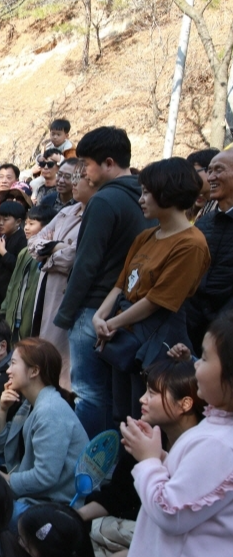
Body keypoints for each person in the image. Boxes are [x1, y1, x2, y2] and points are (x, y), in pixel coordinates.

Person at [119, 314, 233, 557]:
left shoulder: (221, 444)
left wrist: (148, 461)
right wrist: (161, 458)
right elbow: (196, 487)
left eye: (205, 358)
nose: (196, 365)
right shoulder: (215, 430)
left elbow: (172, 511)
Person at [93, 157, 209, 424]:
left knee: (145, 414)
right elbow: (122, 284)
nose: (141, 199)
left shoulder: (191, 244)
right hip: (125, 334)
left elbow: (158, 300)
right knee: (122, 413)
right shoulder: (145, 236)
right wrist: (100, 316)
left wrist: (111, 322)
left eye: (147, 192)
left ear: (167, 191)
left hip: (155, 340)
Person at [52, 126, 150, 438]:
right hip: (124, 309)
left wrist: (66, 315)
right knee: (117, 398)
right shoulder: (145, 197)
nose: (83, 172)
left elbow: (86, 264)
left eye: (86, 164)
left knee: (91, 395)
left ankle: (90, 466)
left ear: (108, 163)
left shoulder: (105, 201)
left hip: (93, 307)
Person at [78, 359, 204, 557]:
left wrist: (129, 556)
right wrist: (74, 516)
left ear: (185, 404)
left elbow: (177, 523)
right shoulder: (152, 436)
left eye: (152, 394)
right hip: (134, 536)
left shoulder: (204, 453)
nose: (142, 399)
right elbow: (118, 493)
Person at [0, 338, 88, 518]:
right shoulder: (29, 404)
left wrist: (6, 480)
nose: (8, 370)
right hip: (30, 493)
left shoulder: (50, 411)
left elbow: (45, 476)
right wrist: (2, 410)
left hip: (51, 506)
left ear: (34, 371)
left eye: (13, 364)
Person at [28, 161, 94, 391]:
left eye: (77, 178)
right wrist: (55, 248)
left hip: (65, 293)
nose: (71, 183)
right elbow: (34, 243)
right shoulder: (67, 211)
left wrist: (49, 255)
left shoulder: (94, 216)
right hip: (45, 289)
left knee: (61, 358)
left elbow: (75, 255)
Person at [184, 149, 233, 355]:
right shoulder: (204, 223)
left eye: (218, 170)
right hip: (192, 329)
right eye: (209, 171)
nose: (210, 177)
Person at [1, 204, 55, 345]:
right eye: (26, 222)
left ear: (47, 227)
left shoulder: (50, 254)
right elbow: (13, 284)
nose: (26, 227)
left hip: (33, 318)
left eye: (32, 224)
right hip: (14, 316)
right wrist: (5, 308)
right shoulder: (24, 252)